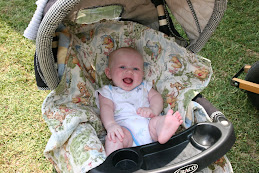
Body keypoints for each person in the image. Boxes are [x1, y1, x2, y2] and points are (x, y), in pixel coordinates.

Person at [95, 47, 183, 156]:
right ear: (109, 73)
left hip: (149, 125)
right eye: (122, 67)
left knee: (157, 121)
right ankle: (114, 161)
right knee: (114, 138)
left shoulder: (144, 87)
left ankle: (164, 130)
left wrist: (153, 110)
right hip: (126, 132)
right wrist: (111, 125)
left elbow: (156, 97)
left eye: (136, 69)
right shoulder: (108, 91)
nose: (129, 71)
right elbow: (106, 108)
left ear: (142, 74)